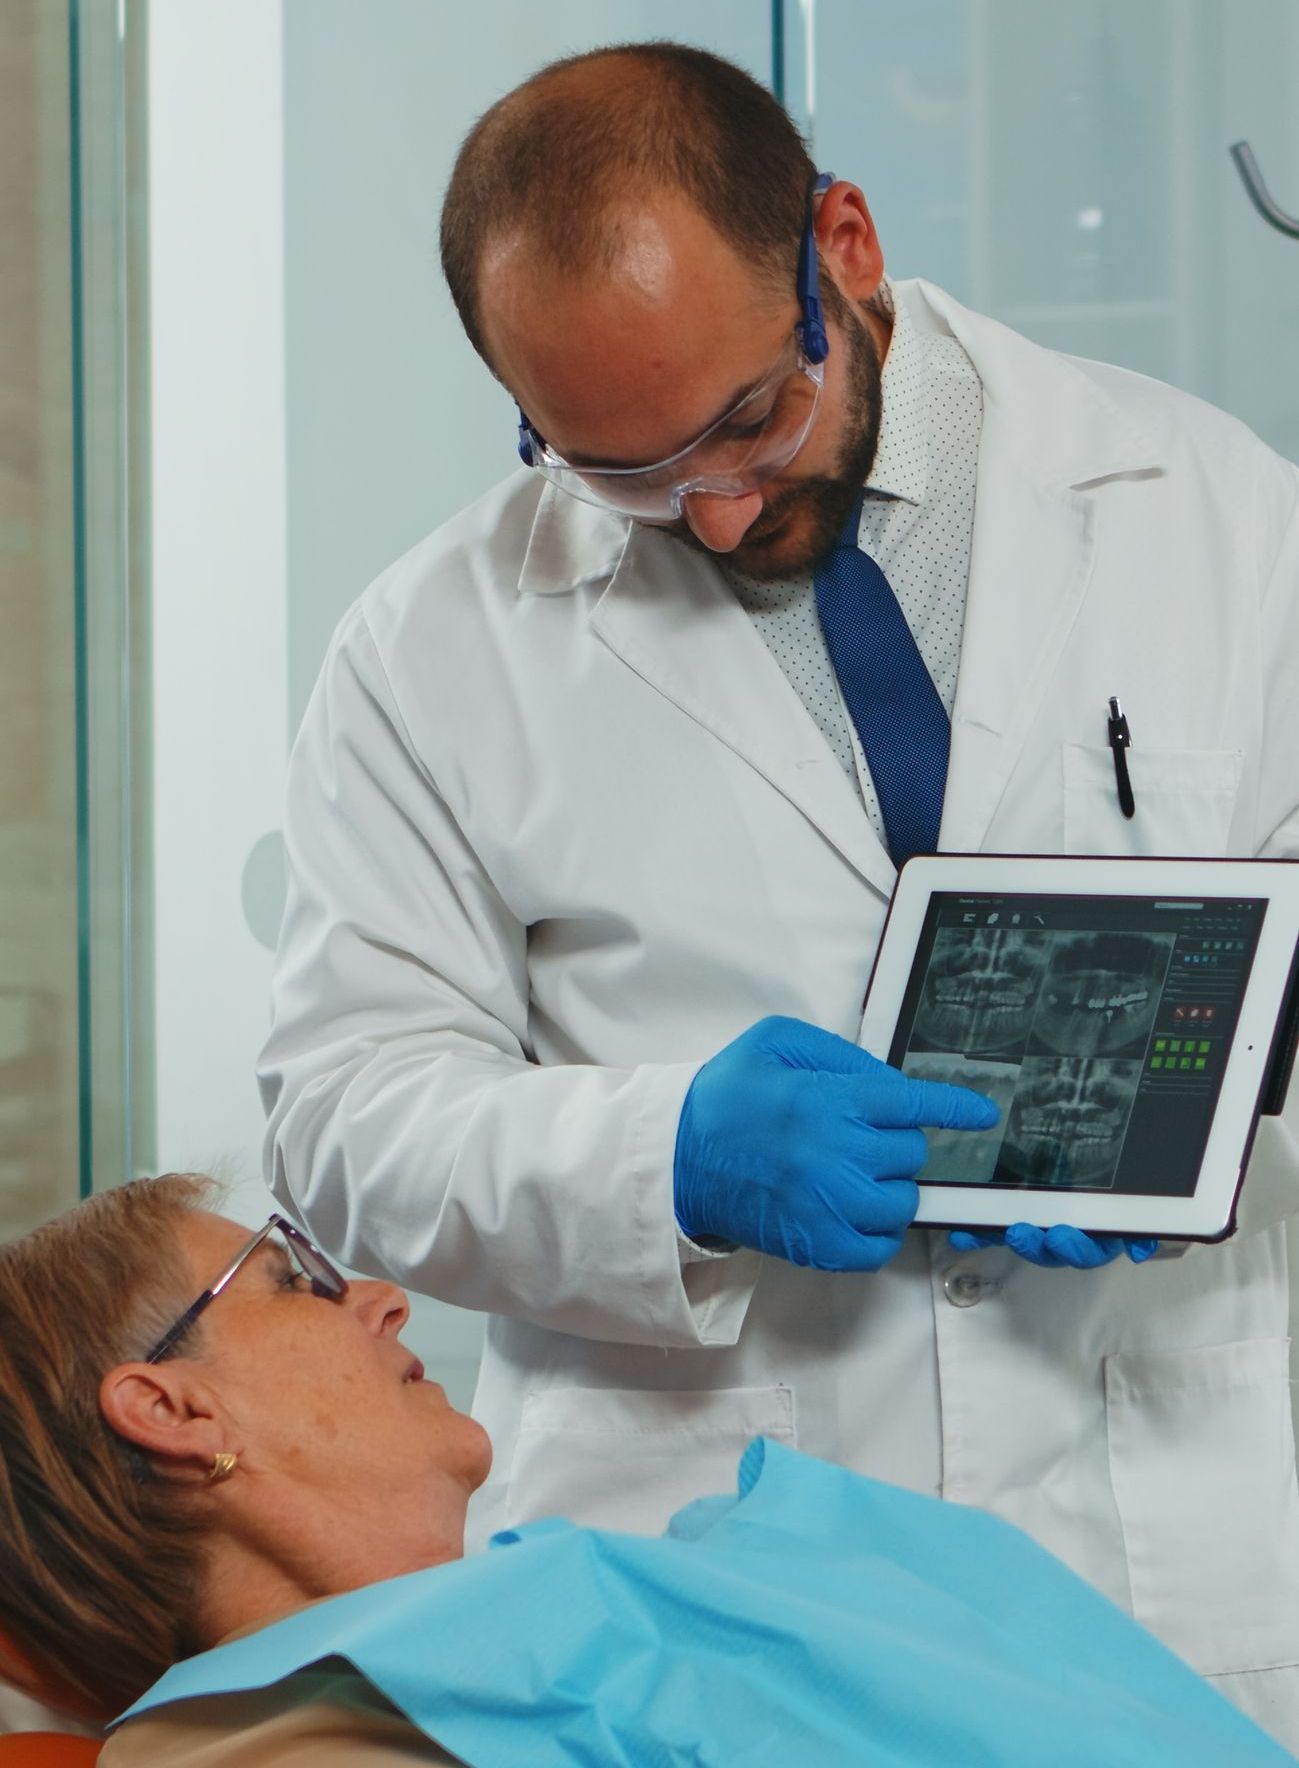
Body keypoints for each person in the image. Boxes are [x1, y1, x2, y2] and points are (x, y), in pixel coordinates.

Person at [257, 40, 1299, 1750]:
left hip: (1162, 1550)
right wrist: (667, 1161)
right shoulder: (430, 652)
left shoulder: (1224, 523)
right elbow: (343, 1119)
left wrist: (1214, 1090)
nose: (720, 509)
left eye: (749, 418)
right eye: (617, 466)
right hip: (711, 1602)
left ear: (846, 249)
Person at [0, 1179, 1290, 1766]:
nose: (381, 1302)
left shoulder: (552, 1612)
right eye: (299, 1279)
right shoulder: (274, 1747)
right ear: (169, 1408)